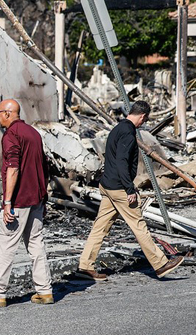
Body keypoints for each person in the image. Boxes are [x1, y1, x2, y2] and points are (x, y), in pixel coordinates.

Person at [76, 100, 183, 281]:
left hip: (107, 185)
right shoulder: (127, 132)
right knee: (138, 225)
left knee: (100, 228)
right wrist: (129, 188)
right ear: (142, 116)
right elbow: (122, 162)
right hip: (119, 188)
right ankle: (160, 264)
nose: (143, 123)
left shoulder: (117, 129)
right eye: (144, 119)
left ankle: (85, 266)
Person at [0, 99, 53, 307]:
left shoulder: (11, 135)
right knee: (35, 243)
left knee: (6, 243)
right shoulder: (33, 133)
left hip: (20, 199)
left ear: (7, 113)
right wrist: (44, 196)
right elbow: (44, 166)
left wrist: (7, 202)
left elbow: (13, 168)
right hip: (36, 198)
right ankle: (45, 291)